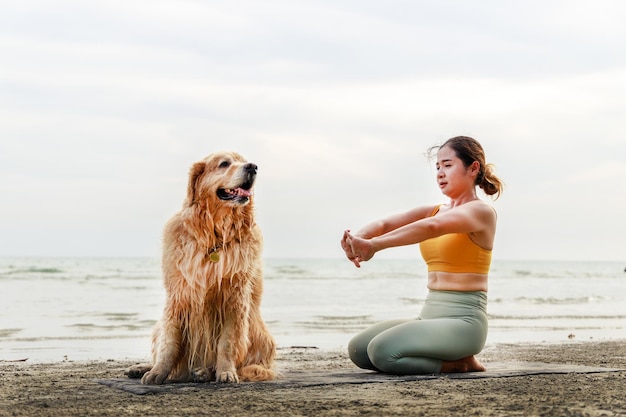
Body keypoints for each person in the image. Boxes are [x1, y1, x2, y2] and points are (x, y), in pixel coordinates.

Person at [340, 136, 503, 374]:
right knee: (359, 350)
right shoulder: (435, 210)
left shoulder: (481, 212)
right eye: (437, 167)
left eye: (448, 165)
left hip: (464, 323)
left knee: (382, 353)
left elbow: (431, 227)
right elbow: (386, 223)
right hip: (429, 316)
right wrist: (357, 240)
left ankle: (461, 363)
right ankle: (447, 357)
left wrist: (374, 246)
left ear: (473, 168)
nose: (440, 173)